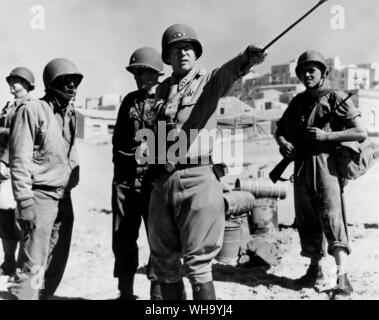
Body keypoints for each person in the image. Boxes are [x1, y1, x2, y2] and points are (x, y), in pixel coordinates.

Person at [147, 23, 267, 300]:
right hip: (163, 182)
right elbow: (155, 134)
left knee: (198, 264)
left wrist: (246, 59)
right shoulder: (162, 91)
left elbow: (228, 73)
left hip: (198, 179)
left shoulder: (207, 83)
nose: (183, 52)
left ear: (196, 53)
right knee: (164, 262)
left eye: (188, 47)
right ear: (168, 56)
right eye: (176, 49)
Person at [275, 50, 367, 299]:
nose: (307, 74)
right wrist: (283, 142)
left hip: (327, 166)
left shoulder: (336, 98)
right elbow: (280, 129)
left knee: (333, 218)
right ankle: (314, 270)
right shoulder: (297, 102)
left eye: (312, 70)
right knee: (306, 221)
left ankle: (342, 278)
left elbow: (361, 132)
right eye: (303, 71)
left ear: (324, 72)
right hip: (302, 167)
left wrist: (328, 136)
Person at [8, 58, 82, 300]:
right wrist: (25, 202)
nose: (71, 86)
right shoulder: (31, 110)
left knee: (56, 261)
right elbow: (19, 160)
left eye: (75, 81)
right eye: (65, 81)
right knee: (33, 264)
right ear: (51, 83)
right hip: (40, 198)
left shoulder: (71, 114)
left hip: (64, 199)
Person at [112, 47, 164, 300]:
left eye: (143, 72)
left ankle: (156, 296)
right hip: (125, 180)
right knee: (123, 238)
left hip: (154, 183)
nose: (138, 78)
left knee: (158, 239)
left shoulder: (168, 99)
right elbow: (118, 141)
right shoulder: (129, 101)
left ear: (156, 73)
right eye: (135, 73)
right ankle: (125, 293)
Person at [0, 67, 35, 278]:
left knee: (20, 218)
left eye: (18, 81)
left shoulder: (29, 107)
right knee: (4, 217)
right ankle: (8, 260)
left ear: (28, 84)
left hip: (19, 169)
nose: (13, 84)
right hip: (3, 170)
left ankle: (23, 264)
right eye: (11, 80)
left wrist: (5, 163)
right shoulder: (8, 106)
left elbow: (20, 140)